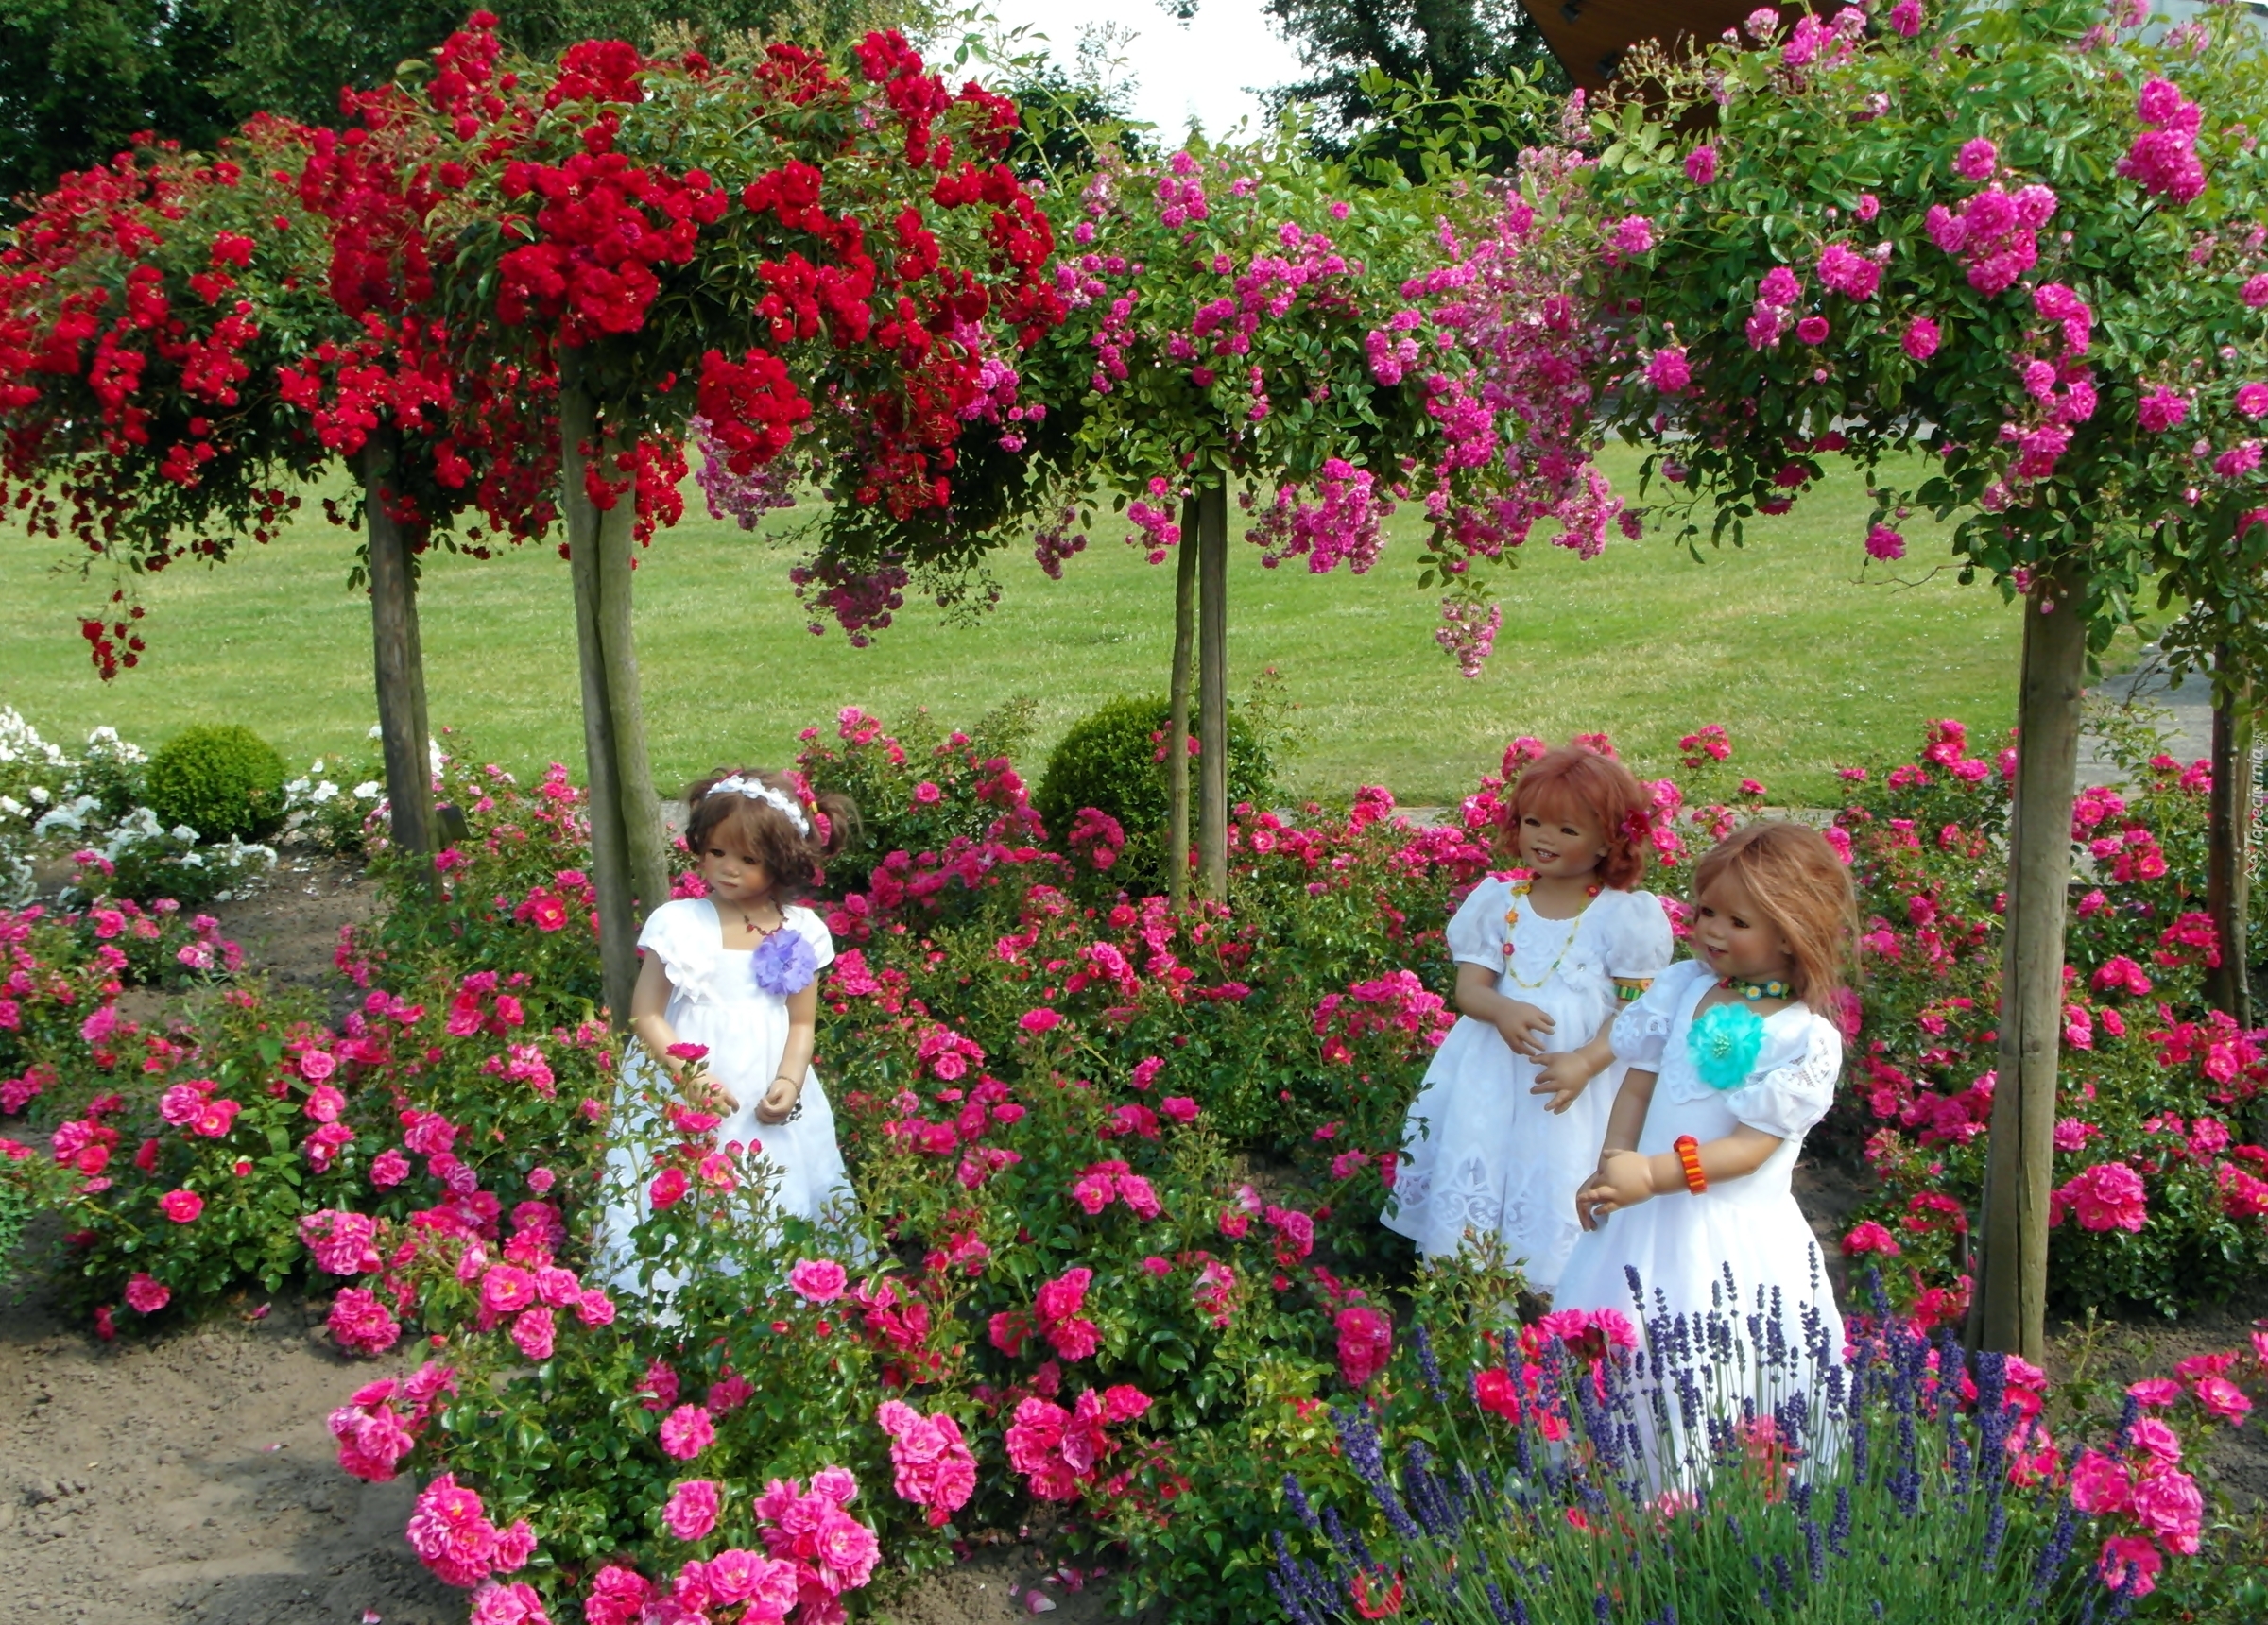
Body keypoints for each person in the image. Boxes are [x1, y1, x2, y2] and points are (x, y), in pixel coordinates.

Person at [1556, 819, 1856, 1421]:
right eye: (1706, 912)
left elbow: (1749, 1150)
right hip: (1643, 1212)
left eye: (1738, 922)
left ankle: (1721, 1469)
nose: (1713, 930)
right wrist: (1615, 1162)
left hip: (1728, 1237)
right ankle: (1612, 1464)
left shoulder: (1801, 1040)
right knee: (1623, 1346)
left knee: (1712, 1368)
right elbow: (1639, 1083)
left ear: (1793, 934)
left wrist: (1654, 1174)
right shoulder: (1682, 989)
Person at [1383, 744, 1673, 1292]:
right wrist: (1501, 1008)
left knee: (1557, 1166)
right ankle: (1483, 1295)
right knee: (1488, 1160)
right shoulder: (1500, 902)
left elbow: (1634, 1010)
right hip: (1493, 1073)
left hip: (1577, 1085)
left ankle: (1561, 1290)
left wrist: (1586, 1061)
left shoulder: (1624, 916)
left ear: (1609, 841)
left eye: (1568, 829)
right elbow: (1470, 989)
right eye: (1534, 822)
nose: (1544, 838)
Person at [596, 768, 859, 1288]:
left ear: (781, 861)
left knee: (767, 1180)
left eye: (748, 859)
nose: (728, 869)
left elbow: (801, 1021)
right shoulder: (681, 924)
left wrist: (790, 1080)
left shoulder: (800, 930)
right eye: (716, 852)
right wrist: (689, 1074)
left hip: (763, 1081)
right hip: (684, 1081)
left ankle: (767, 1290)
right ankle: (669, 1291)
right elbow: (646, 1013)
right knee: (676, 1175)